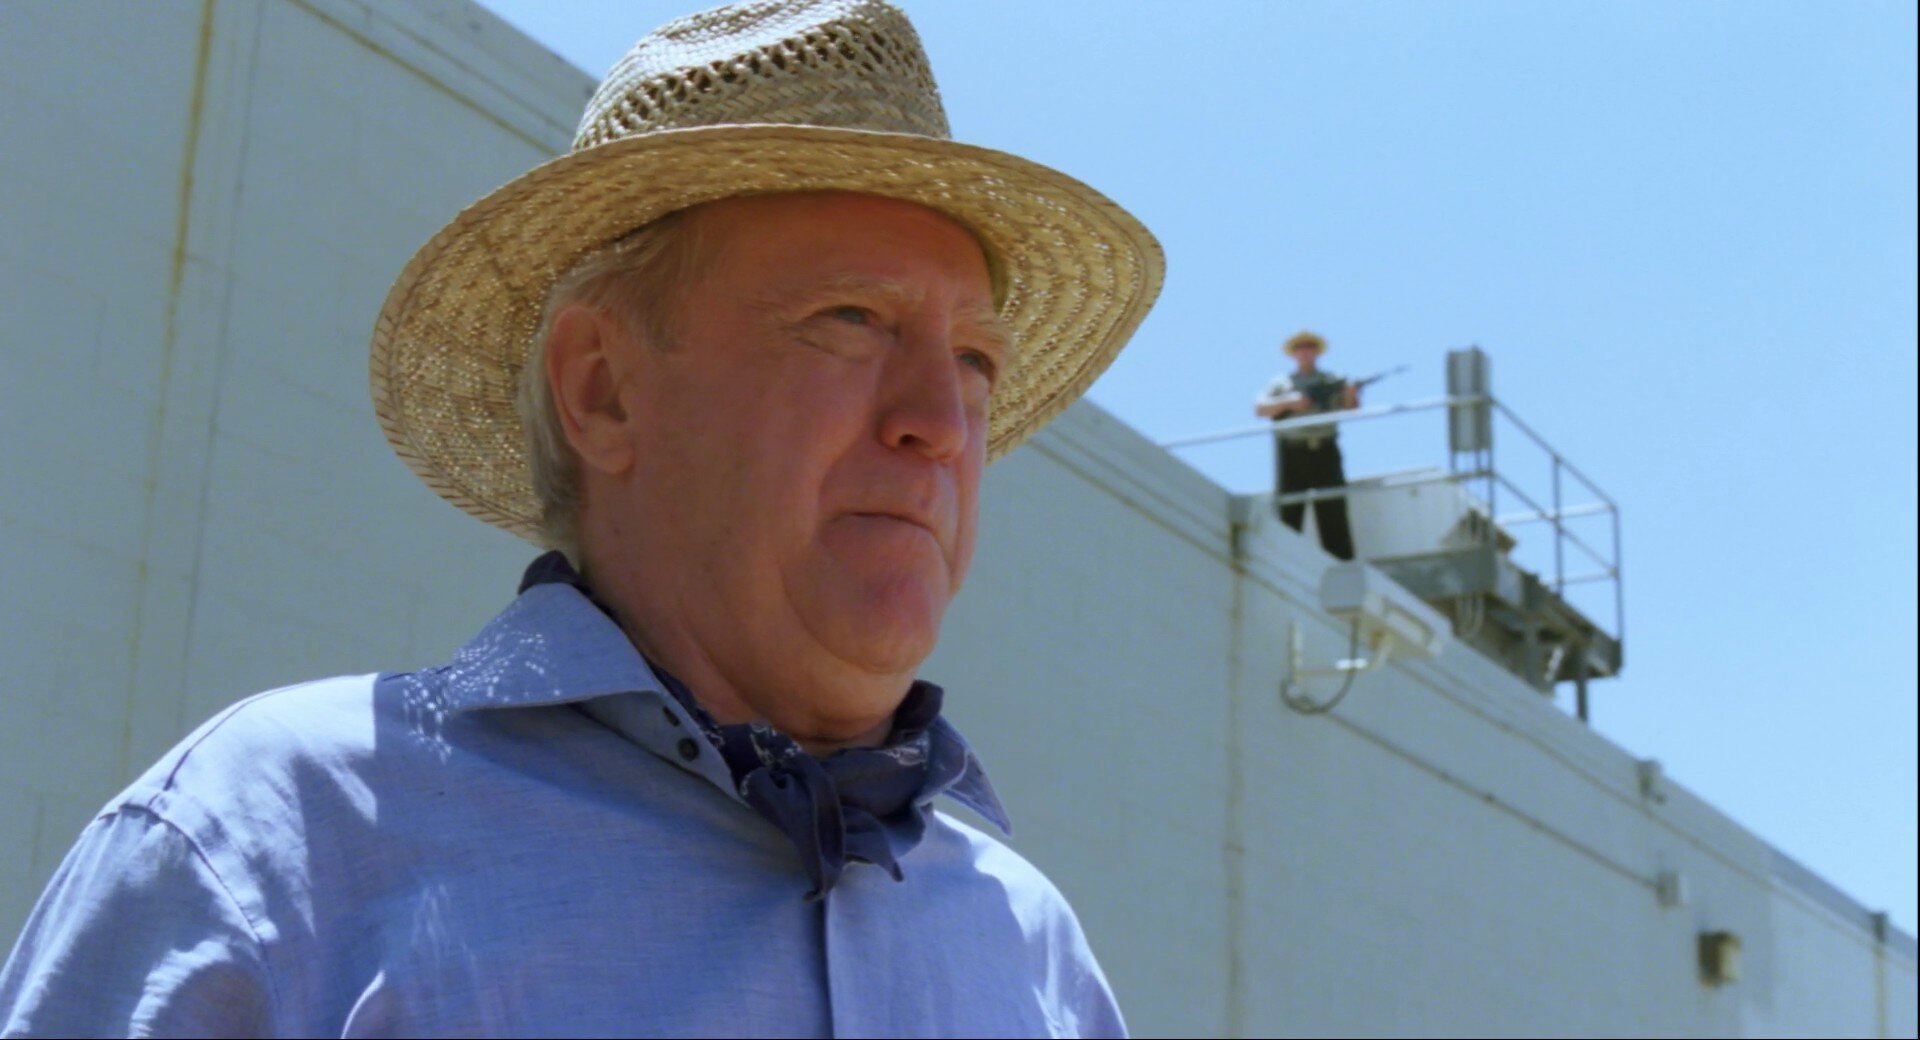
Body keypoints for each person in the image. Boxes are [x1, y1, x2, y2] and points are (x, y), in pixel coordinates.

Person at [0, 0, 1163, 1034]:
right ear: (602, 388)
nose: (941, 422)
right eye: (851, 319)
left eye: (973, 358)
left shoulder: (1039, 956)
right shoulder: (280, 846)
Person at [1255, 329, 1358, 560]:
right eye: (1300, 348)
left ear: (1317, 352)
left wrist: (1351, 392)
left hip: (1324, 449)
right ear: (1293, 353)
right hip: (1292, 451)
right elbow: (1260, 409)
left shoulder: (1330, 380)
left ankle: (1340, 562)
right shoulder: (1281, 383)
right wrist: (1289, 402)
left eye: (1310, 347)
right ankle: (1286, 560)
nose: (1305, 352)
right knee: (1289, 511)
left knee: (1332, 509)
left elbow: (1351, 407)